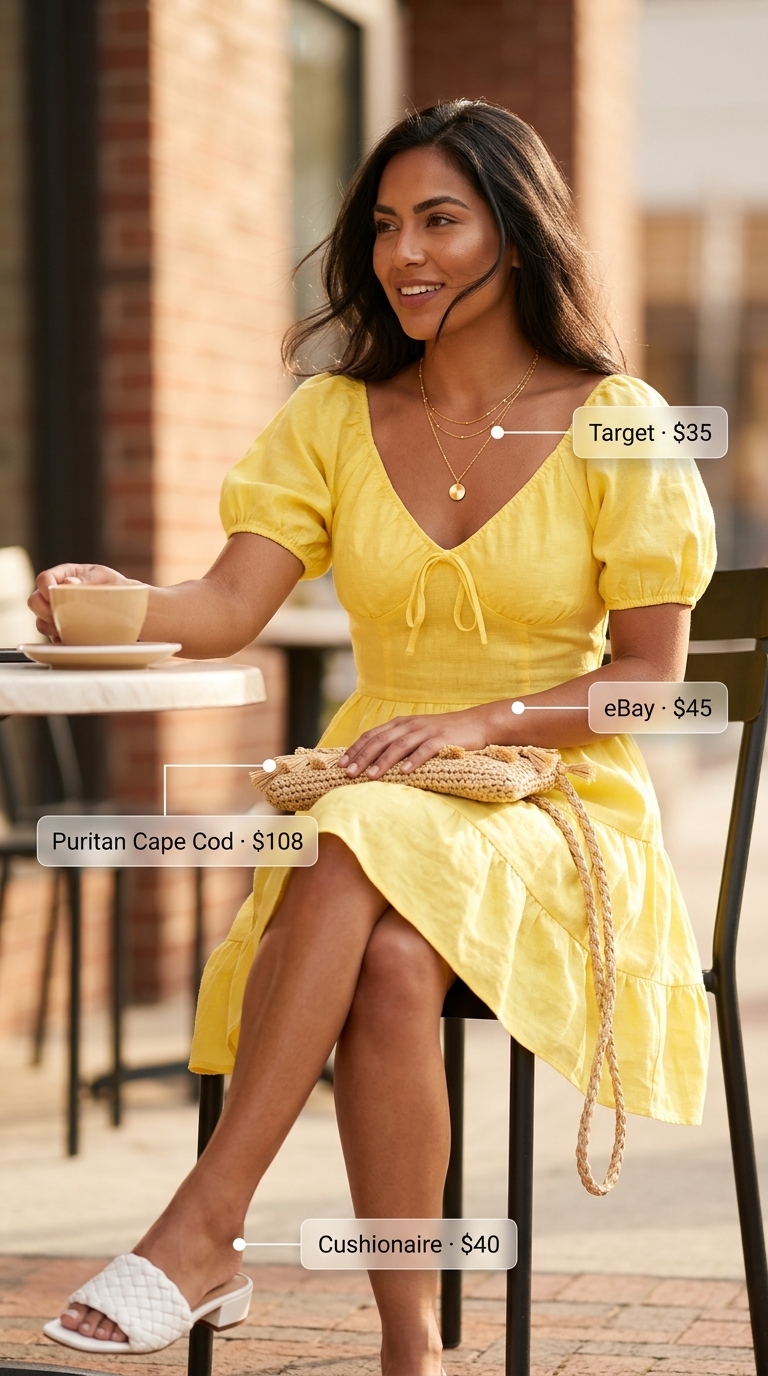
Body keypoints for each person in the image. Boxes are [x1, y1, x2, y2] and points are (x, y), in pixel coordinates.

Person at [31, 100, 715, 1369]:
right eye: (386, 225)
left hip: (553, 799)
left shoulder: (618, 416)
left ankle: (205, 1221)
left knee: (346, 827)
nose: (405, 253)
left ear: (516, 231)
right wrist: (113, 601)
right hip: (377, 791)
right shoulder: (333, 418)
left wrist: (480, 717)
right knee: (391, 960)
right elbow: (224, 607)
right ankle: (415, 1348)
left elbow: (651, 683)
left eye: (440, 220)